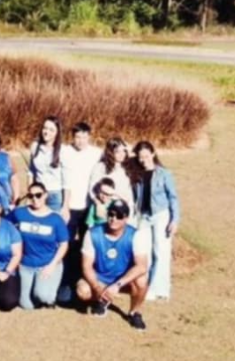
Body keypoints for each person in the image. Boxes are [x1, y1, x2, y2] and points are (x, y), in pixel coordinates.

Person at [77, 200, 150, 330]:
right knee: (83, 290)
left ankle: (134, 312)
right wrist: (97, 287)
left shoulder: (135, 235)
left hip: (123, 279)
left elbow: (142, 266)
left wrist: (117, 285)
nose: (114, 219)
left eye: (119, 216)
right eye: (111, 214)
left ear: (126, 218)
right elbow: (86, 266)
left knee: (142, 280)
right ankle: (100, 300)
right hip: (101, 277)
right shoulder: (93, 233)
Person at [57, 121, 102, 304]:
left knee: (87, 246)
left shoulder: (96, 153)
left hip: (88, 206)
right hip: (69, 206)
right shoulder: (65, 151)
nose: (81, 140)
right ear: (72, 137)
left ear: (89, 137)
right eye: (77, 136)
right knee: (66, 245)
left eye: (84, 137)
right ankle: (65, 284)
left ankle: (86, 282)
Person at [132, 140, 180, 301]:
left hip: (161, 214)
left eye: (146, 156)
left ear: (153, 154)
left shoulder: (164, 174)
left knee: (161, 251)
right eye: (140, 157)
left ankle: (160, 289)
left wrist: (175, 219)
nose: (143, 159)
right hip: (144, 216)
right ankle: (145, 285)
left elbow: (173, 197)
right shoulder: (137, 174)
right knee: (145, 251)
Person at [11, 181, 69, 310]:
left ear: (45, 195)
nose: (35, 199)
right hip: (26, 265)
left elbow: (64, 244)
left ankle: (53, 294)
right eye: (31, 196)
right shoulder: (20, 213)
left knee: (42, 296)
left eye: (38, 195)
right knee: (26, 305)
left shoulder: (55, 218)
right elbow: (4, 225)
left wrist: (52, 265)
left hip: (47, 264)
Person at [27, 116, 72, 218]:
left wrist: (65, 207)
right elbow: (31, 172)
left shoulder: (63, 151)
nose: (46, 132)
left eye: (51, 130)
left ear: (57, 133)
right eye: (45, 128)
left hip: (54, 196)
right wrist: (29, 194)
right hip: (38, 194)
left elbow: (67, 182)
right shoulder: (35, 147)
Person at [88, 137, 135, 221]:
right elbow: (92, 189)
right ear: (110, 152)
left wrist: (127, 148)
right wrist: (98, 204)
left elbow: (135, 153)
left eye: (123, 151)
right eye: (117, 151)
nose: (122, 154)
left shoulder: (127, 167)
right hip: (106, 208)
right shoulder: (101, 167)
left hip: (125, 207)